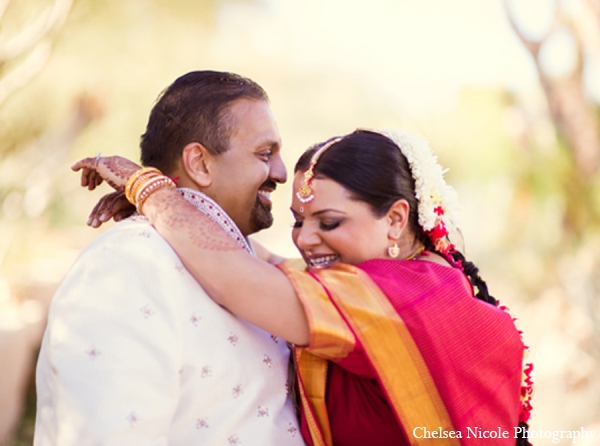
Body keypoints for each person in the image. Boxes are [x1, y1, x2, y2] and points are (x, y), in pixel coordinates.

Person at [76, 128, 535, 446]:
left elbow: (239, 278)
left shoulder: (395, 298)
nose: (305, 238)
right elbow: (270, 263)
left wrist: (149, 187)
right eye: (298, 221)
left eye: (329, 221)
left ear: (395, 219)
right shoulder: (430, 280)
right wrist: (179, 204)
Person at [34, 71, 305, 446]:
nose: (280, 172)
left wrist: (154, 193)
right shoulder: (128, 264)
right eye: (264, 154)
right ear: (199, 163)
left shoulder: (251, 268)